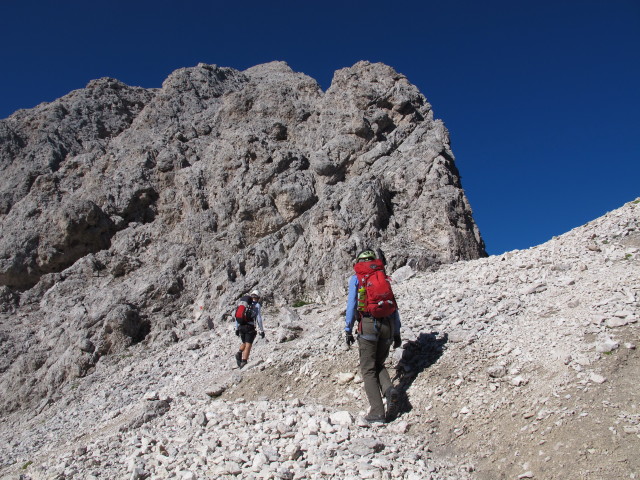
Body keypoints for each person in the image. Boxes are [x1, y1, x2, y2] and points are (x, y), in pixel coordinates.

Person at [345, 249, 402, 424]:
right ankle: (389, 390)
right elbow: (393, 305)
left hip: (369, 324)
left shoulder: (357, 278)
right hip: (388, 325)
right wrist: (397, 331)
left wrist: (348, 328)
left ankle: (377, 411)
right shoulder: (382, 276)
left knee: (368, 369)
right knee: (379, 363)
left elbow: (352, 304)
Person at [235, 290, 265, 368]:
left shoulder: (244, 304)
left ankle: (239, 352)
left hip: (241, 325)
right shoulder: (257, 305)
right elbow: (258, 318)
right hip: (249, 327)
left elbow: (237, 315)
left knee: (244, 342)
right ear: (258, 297)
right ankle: (244, 362)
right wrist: (261, 330)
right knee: (248, 344)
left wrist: (236, 328)